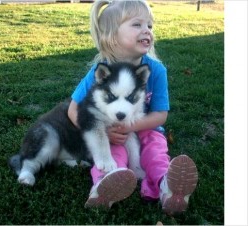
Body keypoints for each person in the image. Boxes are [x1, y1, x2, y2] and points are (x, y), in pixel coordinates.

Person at [67, 0, 198, 215]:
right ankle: (103, 186)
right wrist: (103, 132)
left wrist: (132, 126)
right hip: (114, 133)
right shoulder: (101, 72)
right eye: (137, 25)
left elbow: (160, 114)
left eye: (149, 25)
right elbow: (74, 109)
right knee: (113, 154)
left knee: (155, 152)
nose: (147, 30)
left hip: (147, 129)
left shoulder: (155, 70)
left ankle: (168, 187)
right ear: (111, 35)